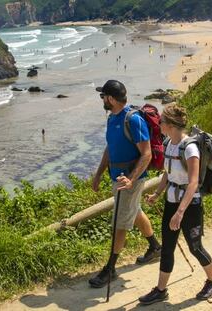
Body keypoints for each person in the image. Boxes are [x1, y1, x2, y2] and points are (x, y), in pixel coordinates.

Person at [139, 104, 212, 305]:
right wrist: (157, 194)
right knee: (167, 247)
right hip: (171, 202)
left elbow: (193, 182)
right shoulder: (168, 143)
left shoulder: (190, 148)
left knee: (195, 247)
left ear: (172, 125)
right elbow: (167, 173)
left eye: (162, 121)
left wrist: (180, 212)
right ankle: (160, 290)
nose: (159, 124)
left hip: (189, 206)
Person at [89, 80, 161, 288]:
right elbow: (110, 148)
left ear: (111, 99)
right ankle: (155, 247)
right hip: (117, 178)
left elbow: (146, 154)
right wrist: (98, 174)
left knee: (120, 223)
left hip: (130, 180)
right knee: (134, 211)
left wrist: (131, 179)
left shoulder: (134, 120)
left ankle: (110, 268)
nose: (102, 99)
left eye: (103, 96)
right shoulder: (112, 118)